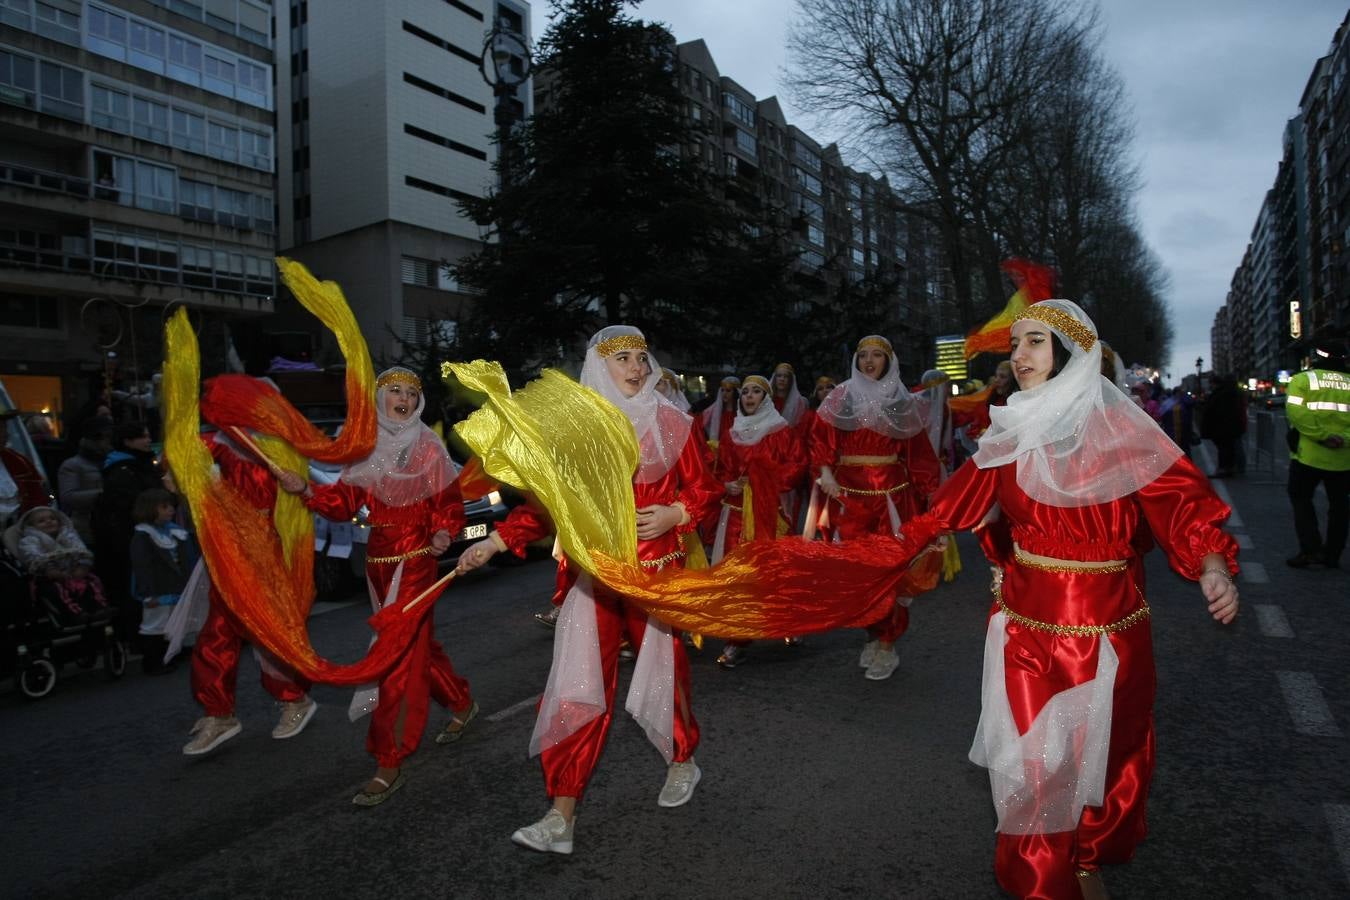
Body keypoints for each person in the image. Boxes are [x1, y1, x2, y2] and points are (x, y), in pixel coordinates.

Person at [887, 299, 1239, 898]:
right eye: (1016, 344)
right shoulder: (1010, 428)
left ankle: (1087, 853)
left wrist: (1212, 565)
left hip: (1112, 630)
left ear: (1071, 355)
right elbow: (952, 504)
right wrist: (887, 552)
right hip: (1026, 629)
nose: (1017, 357)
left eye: (1033, 343)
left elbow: (1183, 506)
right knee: (1035, 764)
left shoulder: (1125, 433)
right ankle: (1040, 882)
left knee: (1109, 754)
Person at [457, 325, 722, 855]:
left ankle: (682, 760)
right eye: (622, 358)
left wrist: (677, 510)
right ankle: (562, 813)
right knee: (577, 688)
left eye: (642, 358)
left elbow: (706, 489)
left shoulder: (675, 422)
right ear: (599, 367)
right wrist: (492, 544)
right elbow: (547, 505)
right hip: (596, 579)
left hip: (655, 577)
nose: (636, 367)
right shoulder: (576, 430)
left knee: (665, 678)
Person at [278, 366, 478, 806]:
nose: (404, 398)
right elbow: (344, 502)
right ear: (379, 397)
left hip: (416, 562)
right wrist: (304, 489)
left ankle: (389, 758)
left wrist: (444, 530)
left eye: (411, 392)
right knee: (415, 647)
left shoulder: (427, 446)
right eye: (395, 391)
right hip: (379, 564)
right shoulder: (366, 447)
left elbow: (447, 504)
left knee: (395, 658)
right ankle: (461, 702)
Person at [810, 335, 941, 681]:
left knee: (891, 574)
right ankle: (872, 633)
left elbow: (921, 457)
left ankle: (886, 644)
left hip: (892, 499)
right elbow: (821, 440)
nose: (868, 361)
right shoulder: (841, 397)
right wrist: (825, 474)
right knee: (859, 576)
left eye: (876, 355)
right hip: (848, 498)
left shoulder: (902, 402)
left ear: (889, 361)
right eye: (862, 355)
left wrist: (933, 502)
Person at [183, 429, 318, 755]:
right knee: (216, 633)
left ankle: (294, 699)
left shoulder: (274, 444)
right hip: (225, 554)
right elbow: (188, 470)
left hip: (263, 557)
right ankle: (219, 713)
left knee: (268, 632)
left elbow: (301, 494)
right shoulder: (211, 441)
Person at [711, 375, 807, 668]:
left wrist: (765, 480)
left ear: (766, 398)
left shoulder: (781, 432)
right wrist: (728, 485)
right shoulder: (732, 434)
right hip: (737, 514)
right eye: (746, 392)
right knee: (738, 574)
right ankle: (738, 637)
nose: (749, 397)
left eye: (756, 392)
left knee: (778, 569)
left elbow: (796, 465)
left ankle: (788, 622)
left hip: (769, 513)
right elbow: (722, 470)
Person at [91, 422, 163, 641]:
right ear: (127, 441)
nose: (148, 440)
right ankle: (142, 638)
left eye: (148, 435)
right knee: (138, 589)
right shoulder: (122, 470)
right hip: (131, 537)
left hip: (147, 533)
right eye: (142, 436)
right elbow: (131, 504)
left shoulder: (140, 465)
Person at [1284, 336, 1350, 569]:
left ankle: (1310, 549)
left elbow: (1296, 412)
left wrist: (1322, 436)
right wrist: (1342, 439)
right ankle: (1332, 554)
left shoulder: (1303, 380)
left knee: (1301, 498)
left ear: (1317, 356)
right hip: (1344, 458)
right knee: (1340, 508)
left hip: (1308, 455)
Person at [129, 488, 195, 675]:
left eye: (171, 506)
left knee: (174, 620)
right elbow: (142, 566)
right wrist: (148, 593)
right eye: (164, 507)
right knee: (155, 624)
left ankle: (171, 655)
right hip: (157, 588)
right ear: (150, 509)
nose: (171, 510)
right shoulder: (143, 535)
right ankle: (152, 662)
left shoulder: (175, 532)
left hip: (176, 585)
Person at [11, 506, 109, 625]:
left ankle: (99, 607)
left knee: (92, 581)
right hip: (48, 575)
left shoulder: (68, 535)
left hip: (73, 571)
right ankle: (74, 613)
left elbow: (81, 549)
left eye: (53, 518)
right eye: (41, 521)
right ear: (32, 527)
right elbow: (31, 556)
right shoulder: (29, 541)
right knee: (55, 589)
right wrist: (49, 569)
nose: (49, 521)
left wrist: (82, 566)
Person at [57, 416, 113, 547]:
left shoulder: (113, 461)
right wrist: (104, 494)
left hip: (110, 522)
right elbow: (68, 497)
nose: (108, 442)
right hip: (86, 524)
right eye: (105, 438)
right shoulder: (72, 465)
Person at [0, 410, 48, 523]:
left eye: (4, 428)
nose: (6, 434)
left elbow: (38, 498)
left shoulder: (18, 461)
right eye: (0, 429)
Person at [1200, 375, 1244, 477]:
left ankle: (1223, 469)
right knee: (1227, 448)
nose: (1210, 386)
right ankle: (1228, 468)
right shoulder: (1229, 393)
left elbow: (1217, 410)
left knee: (1224, 448)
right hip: (1227, 427)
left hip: (1221, 427)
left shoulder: (1221, 394)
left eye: (1211, 383)